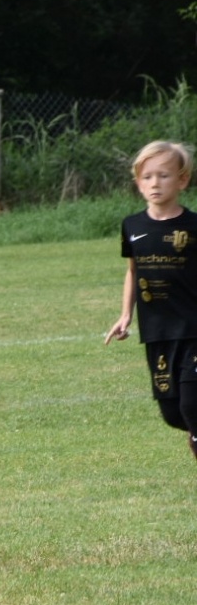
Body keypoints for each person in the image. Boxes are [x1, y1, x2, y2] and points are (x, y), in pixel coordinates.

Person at [105, 139, 197, 462]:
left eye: (164, 175)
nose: (155, 183)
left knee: (191, 404)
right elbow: (133, 270)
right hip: (158, 330)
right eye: (147, 177)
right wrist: (124, 315)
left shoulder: (193, 226)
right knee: (173, 413)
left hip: (194, 328)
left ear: (182, 180)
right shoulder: (132, 226)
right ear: (138, 182)